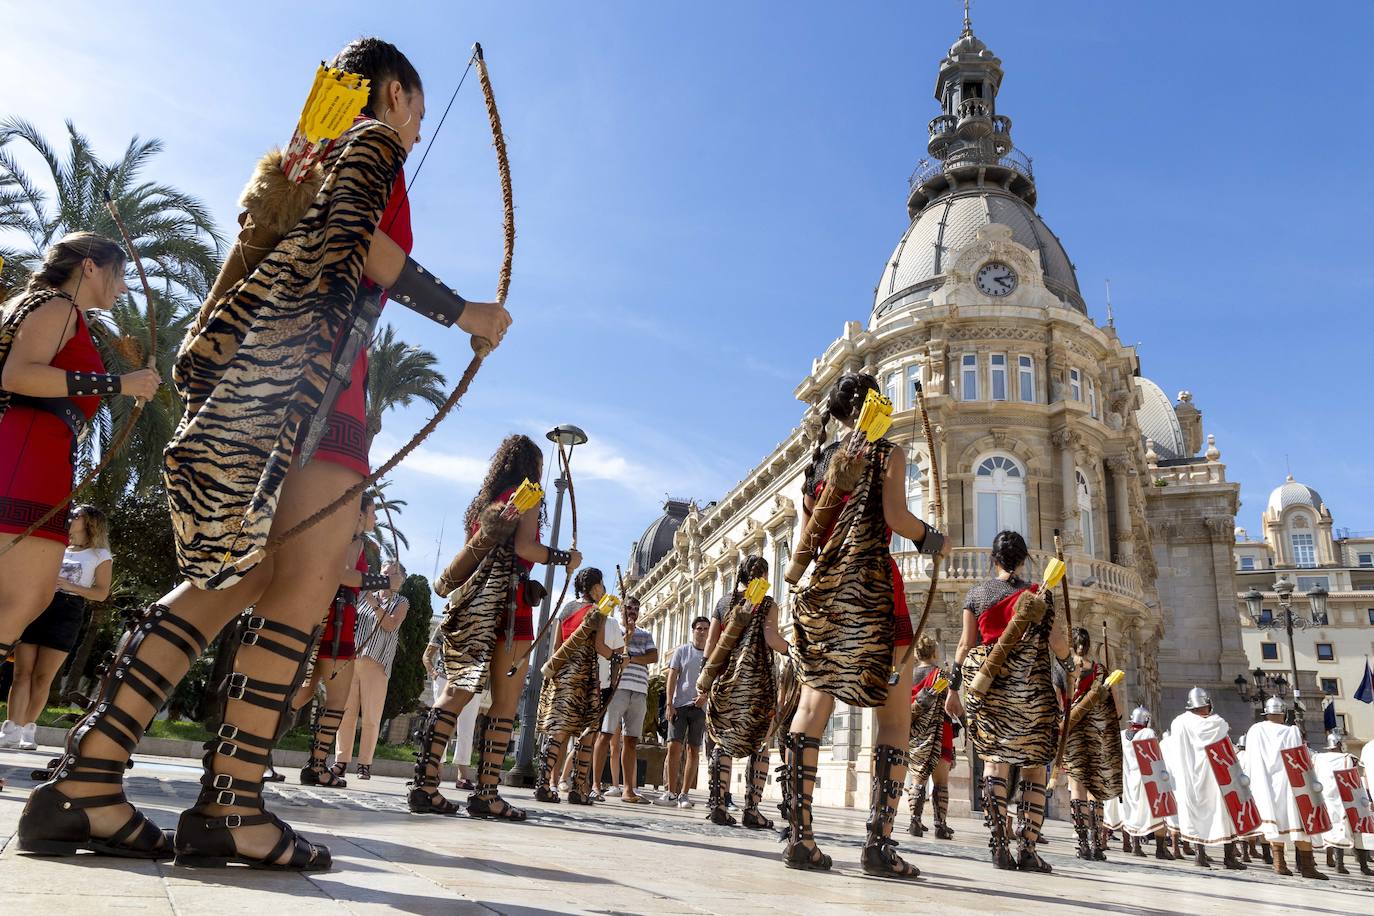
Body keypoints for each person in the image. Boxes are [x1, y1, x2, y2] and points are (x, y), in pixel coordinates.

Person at [18, 38, 511, 868]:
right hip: (318, 387)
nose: (418, 132)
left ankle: (90, 776)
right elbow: (362, 243)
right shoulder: (371, 144)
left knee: (236, 576)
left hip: (274, 381)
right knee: (300, 587)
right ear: (392, 94)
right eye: (418, 112)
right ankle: (231, 805)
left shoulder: (305, 158)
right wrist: (466, 314)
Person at [783, 371, 948, 879]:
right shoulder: (886, 452)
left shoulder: (818, 467)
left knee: (812, 706)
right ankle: (879, 843)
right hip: (875, 594)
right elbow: (896, 517)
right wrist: (930, 537)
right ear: (872, 403)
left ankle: (799, 836)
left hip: (824, 595)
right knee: (894, 718)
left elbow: (810, 533)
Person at [1, 235, 158, 668]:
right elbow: (18, 376)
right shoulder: (57, 307)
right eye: (120, 274)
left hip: (37, 456)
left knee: (23, 602)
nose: (124, 287)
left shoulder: (53, 308)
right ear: (90, 267)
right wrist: (119, 384)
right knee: (19, 601)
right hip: (26, 456)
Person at [421, 434, 574, 818]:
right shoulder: (529, 495)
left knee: (455, 692)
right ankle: (487, 794)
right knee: (505, 702)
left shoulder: (484, 504)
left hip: (474, 603)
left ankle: (424, 785)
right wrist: (562, 557)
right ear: (534, 467)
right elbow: (525, 549)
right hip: (509, 606)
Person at [956, 530, 1067, 873]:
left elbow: (964, 647)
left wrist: (950, 688)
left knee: (994, 763)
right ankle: (1029, 849)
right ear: (1023, 560)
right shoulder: (1039, 595)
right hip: (1032, 691)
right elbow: (1059, 645)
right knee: (1033, 767)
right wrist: (1071, 665)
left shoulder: (977, 594)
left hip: (992, 691)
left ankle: (999, 844)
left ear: (993, 559)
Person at [290, 497, 401, 789]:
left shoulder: (332, 535)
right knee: (337, 699)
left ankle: (260, 750)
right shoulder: (354, 540)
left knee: (302, 690)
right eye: (372, 513)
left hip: (325, 618)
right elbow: (345, 575)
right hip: (339, 623)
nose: (375, 520)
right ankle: (316, 767)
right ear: (359, 514)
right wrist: (384, 583)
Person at [1, 505, 113, 750]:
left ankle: (28, 731)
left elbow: (101, 593)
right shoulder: (56, 546)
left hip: (68, 611)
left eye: (76, 516)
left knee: (43, 677)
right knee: (21, 673)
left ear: (90, 523)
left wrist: (68, 585)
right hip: (37, 605)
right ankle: (10, 729)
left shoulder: (100, 555)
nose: (70, 518)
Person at [699, 555, 790, 829]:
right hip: (757, 684)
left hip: (725, 681)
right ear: (763, 575)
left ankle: (717, 804)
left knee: (722, 740)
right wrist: (792, 650)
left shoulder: (723, 603)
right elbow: (771, 638)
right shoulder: (768, 603)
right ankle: (752, 809)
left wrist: (706, 678)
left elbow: (712, 644)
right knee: (759, 743)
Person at [536, 567, 617, 804]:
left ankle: (543, 783)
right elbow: (600, 646)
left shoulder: (566, 610)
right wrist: (617, 656)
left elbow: (556, 648)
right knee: (588, 732)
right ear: (594, 588)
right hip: (584, 676)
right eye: (601, 585)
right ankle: (578, 790)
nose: (603, 589)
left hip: (561, 675)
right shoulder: (597, 611)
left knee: (558, 731)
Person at [1162, 687, 1249, 870]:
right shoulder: (1216, 723)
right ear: (1208, 704)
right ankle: (1229, 857)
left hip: (1190, 778)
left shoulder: (1179, 722)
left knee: (1195, 816)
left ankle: (1200, 856)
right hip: (1216, 777)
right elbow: (1226, 747)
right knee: (1224, 814)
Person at [1242, 697, 1329, 879]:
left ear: (1266, 713)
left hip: (1264, 784)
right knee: (1300, 824)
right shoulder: (1292, 732)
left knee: (1273, 822)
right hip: (1290, 784)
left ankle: (1279, 863)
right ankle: (1306, 866)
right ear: (1283, 713)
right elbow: (1300, 760)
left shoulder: (1255, 730)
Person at [333, 575, 408, 779]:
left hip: (376, 664)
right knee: (346, 714)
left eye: (392, 574)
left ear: (400, 580)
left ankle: (364, 764)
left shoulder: (401, 602)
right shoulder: (362, 595)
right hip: (352, 659)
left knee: (371, 717)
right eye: (384, 572)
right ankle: (340, 761)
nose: (386, 577)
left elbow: (390, 625)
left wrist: (375, 604)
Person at [1062, 627, 1123, 862]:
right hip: (1098, 733)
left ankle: (1081, 844)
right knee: (1095, 791)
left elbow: (1061, 703)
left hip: (1074, 732)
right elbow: (1117, 710)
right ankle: (1097, 843)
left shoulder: (1066, 669)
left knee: (1077, 789)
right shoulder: (1101, 671)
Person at [594, 597, 657, 804]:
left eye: (636, 608)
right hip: (619, 688)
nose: (633, 611)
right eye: (629, 608)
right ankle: (595, 785)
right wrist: (627, 638)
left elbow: (653, 656)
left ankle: (628, 789)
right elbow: (616, 654)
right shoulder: (614, 630)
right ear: (622, 610)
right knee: (606, 734)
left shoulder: (646, 634)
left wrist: (633, 659)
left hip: (639, 689)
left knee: (631, 740)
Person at [906, 634, 960, 840]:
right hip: (940, 732)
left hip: (916, 733)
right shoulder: (942, 676)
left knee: (918, 778)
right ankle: (940, 825)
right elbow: (950, 702)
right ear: (935, 653)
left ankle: (915, 821)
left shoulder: (909, 676)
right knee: (940, 781)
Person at [657, 616, 709, 809]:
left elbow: (716, 680)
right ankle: (670, 791)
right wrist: (669, 704)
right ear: (693, 630)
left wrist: (706, 696)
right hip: (679, 705)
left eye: (705, 629)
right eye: (699, 628)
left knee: (693, 750)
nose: (702, 632)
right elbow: (672, 676)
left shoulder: (711, 655)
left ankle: (685, 794)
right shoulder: (682, 651)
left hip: (699, 708)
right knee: (673, 748)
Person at [1114, 706, 1175, 859]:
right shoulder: (1147, 733)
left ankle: (1136, 846)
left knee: (1133, 813)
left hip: (1128, 780)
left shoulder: (1122, 735)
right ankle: (1160, 850)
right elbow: (1156, 758)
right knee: (1158, 814)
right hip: (1148, 780)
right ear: (1146, 720)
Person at [422, 622, 476, 788]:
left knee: (467, 728)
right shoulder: (445, 625)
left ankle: (463, 775)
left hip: (473, 680)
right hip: (446, 679)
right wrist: (434, 674)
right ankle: (437, 768)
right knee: (441, 725)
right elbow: (426, 656)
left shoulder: (482, 624)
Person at [1314, 730, 1373, 876]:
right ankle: (1363, 866)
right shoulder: (1348, 758)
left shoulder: (1318, 758)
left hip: (1327, 799)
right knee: (1357, 831)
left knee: (1335, 831)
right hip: (1348, 800)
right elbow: (1355, 781)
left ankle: (1339, 864)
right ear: (1340, 744)